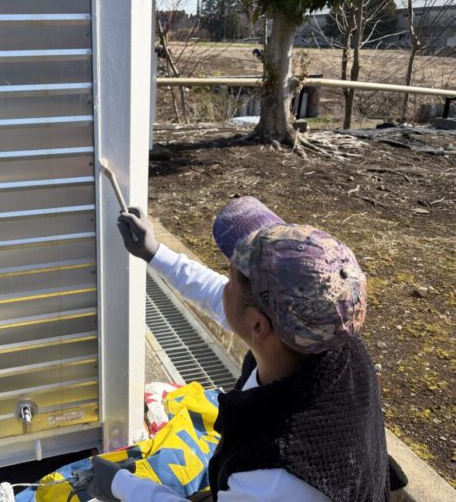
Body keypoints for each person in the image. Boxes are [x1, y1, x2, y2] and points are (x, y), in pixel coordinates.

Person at [88, 196, 390, 502]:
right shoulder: (330, 340)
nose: (222, 285)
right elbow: (229, 301)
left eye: (230, 280)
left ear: (258, 326)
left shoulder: (273, 477)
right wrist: (155, 253)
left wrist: (123, 486)